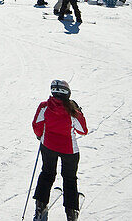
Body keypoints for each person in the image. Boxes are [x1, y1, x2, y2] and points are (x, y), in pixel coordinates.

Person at [31, 79, 87, 221]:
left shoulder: (44, 106)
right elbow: (83, 130)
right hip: (69, 150)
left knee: (47, 173)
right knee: (69, 178)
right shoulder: (72, 111)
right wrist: (79, 111)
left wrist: (39, 136)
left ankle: (40, 208)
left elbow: (36, 124)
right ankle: (71, 212)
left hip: (48, 146)